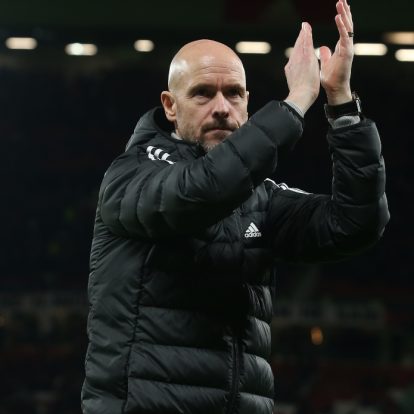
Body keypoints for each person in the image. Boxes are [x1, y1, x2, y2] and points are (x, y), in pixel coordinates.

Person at [81, 1, 389, 413]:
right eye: (203, 93)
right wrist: (296, 101)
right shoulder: (130, 176)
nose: (222, 107)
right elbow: (202, 191)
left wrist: (342, 105)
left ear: (247, 103)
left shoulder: (260, 198)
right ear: (170, 106)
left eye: (234, 93)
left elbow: (355, 223)